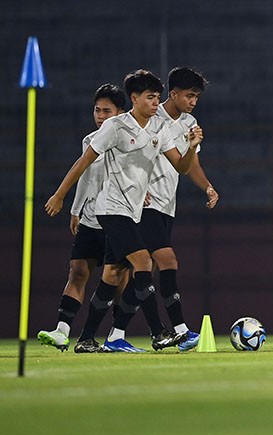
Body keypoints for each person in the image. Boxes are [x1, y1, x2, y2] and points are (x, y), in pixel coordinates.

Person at [44, 69, 202, 353]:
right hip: (111, 209)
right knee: (143, 263)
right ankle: (160, 332)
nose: (156, 103)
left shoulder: (159, 129)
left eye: (157, 97)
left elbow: (182, 166)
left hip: (133, 212)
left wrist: (191, 147)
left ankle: (88, 339)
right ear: (134, 98)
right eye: (151, 97)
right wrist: (60, 195)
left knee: (113, 275)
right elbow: (84, 162)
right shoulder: (116, 127)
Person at [119, 66, 218, 352]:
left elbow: (190, 165)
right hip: (143, 204)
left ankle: (115, 332)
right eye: (189, 96)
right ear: (172, 94)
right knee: (167, 261)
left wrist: (207, 187)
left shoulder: (189, 122)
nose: (193, 102)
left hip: (166, 205)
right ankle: (180, 330)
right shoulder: (150, 115)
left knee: (138, 272)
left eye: (197, 97)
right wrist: (137, 186)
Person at [37, 84, 127, 353]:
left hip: (118, 217)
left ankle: (117, 332)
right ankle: (62, 331)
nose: (100, 116)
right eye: (97, 110)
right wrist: (75, 209)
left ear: (120, 113)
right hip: (90, 218)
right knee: (77, 272)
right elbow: (85, 177)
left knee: (119, 280)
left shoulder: (128, 141)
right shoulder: (89, 141)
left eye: (106, 111)